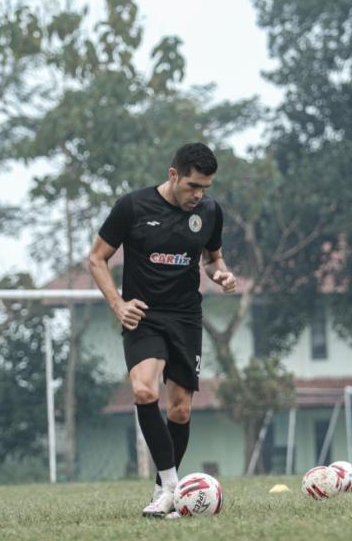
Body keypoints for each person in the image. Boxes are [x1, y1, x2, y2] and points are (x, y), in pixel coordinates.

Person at [88, 142, 236, 518]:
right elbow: (96, 258)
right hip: (145, 315)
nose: (198, 195)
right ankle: (172, 484)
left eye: (205, 187)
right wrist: (118, 305)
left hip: (186, 317)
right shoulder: (133, 207)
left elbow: (212, 258)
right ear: (174, 175)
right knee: (142, 389)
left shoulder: (209, 212)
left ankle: (162, 490)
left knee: (182, 410)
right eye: (192, 186)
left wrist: (220, 273)